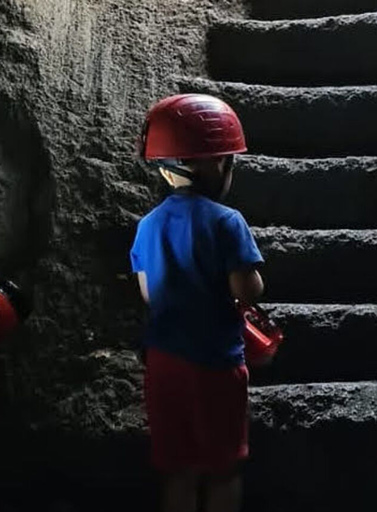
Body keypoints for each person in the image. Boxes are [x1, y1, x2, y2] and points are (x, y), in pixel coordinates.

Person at [131, 94, 264, 512]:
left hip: (164, 366)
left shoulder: (147, 226)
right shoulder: (228, 222)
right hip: (215, 365)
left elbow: (147, 293)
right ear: (219, 164)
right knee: (223, 468)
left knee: (178, 469)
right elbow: (247, 288)